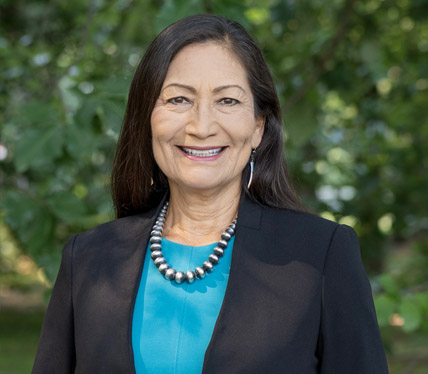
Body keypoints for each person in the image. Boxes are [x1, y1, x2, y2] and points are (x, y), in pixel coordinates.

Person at [32, 14, 389, 374]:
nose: (201, 127)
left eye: (228, 101)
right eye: (178, 100)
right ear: (147, 120)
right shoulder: (89, 258)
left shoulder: (322, 256)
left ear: (258, 128)